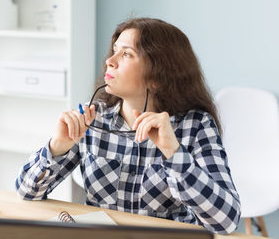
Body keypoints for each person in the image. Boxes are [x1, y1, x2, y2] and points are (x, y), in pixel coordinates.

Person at [15, 17, 241, 234]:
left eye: (126, 54)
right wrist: (58, 147)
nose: (109, 61)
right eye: (114, 51)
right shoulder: (92, 118)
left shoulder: (196, 126)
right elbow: (26, 192)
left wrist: (174, 153)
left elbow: (227, 221)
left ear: (158, 77)